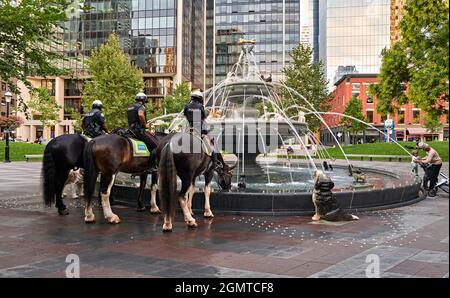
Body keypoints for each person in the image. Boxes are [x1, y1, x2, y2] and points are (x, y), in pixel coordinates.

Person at [184, 90, 220, 168]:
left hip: (188, 129)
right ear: (200, 98)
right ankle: (215, 163)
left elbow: (185, 116)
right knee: (213, 145)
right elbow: (203, 118)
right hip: (199, 130)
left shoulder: (186, 106)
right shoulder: (200, 107)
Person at [127, 92, 159, 172]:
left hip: (130, 130)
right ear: (144, 100)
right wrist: (145, 125)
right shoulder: (141, 107)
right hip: (139, 131)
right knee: (156, 146)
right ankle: (150, 166)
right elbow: (140, 115)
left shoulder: (130, 107)